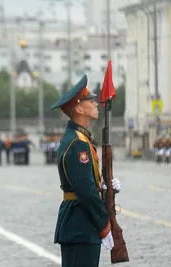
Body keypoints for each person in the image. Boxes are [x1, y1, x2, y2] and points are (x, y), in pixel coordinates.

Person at [50, 74, 122, 267]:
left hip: (81, 225)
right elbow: (86, 192)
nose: (96, 103)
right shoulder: (77, 143)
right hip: (80, 225)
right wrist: (104, 226)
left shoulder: (79, 139)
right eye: (91, 100)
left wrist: (106, 187)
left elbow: (88, 182)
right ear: (80, 108)